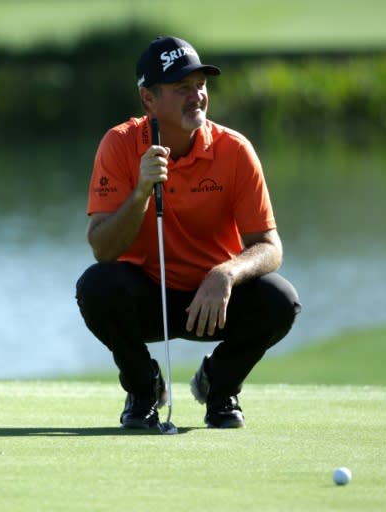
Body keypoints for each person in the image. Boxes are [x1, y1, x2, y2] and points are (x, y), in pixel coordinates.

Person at [75, 35, 301, 429]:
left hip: (213, 303)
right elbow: (102, 249)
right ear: (149, 99)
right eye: (182, 88)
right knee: (96, 287)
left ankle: (220, 385)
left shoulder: (235, 150)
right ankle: (144, 389)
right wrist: (141, 191)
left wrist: (225, 273)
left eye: (200, 85)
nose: (196, 95)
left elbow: (269, 246)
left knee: (280, 300)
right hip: (148, 298)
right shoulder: (120, 144)